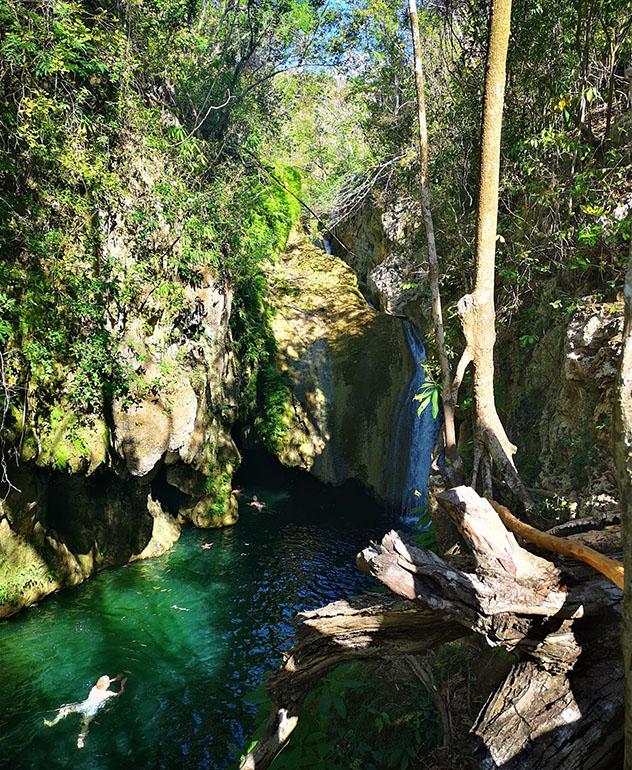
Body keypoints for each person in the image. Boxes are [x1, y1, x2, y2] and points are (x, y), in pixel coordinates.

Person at [44, 674, 127, 749]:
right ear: (107, 685)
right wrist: (122, 685)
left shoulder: (94, 688)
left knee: (66, 709)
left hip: (83, 706)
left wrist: (115, 679)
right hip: (91, 711)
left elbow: (102, 684)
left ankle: (53, 722)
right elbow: (119, 693)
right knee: (85, 724)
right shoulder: (108, 693)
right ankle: (80, 740)